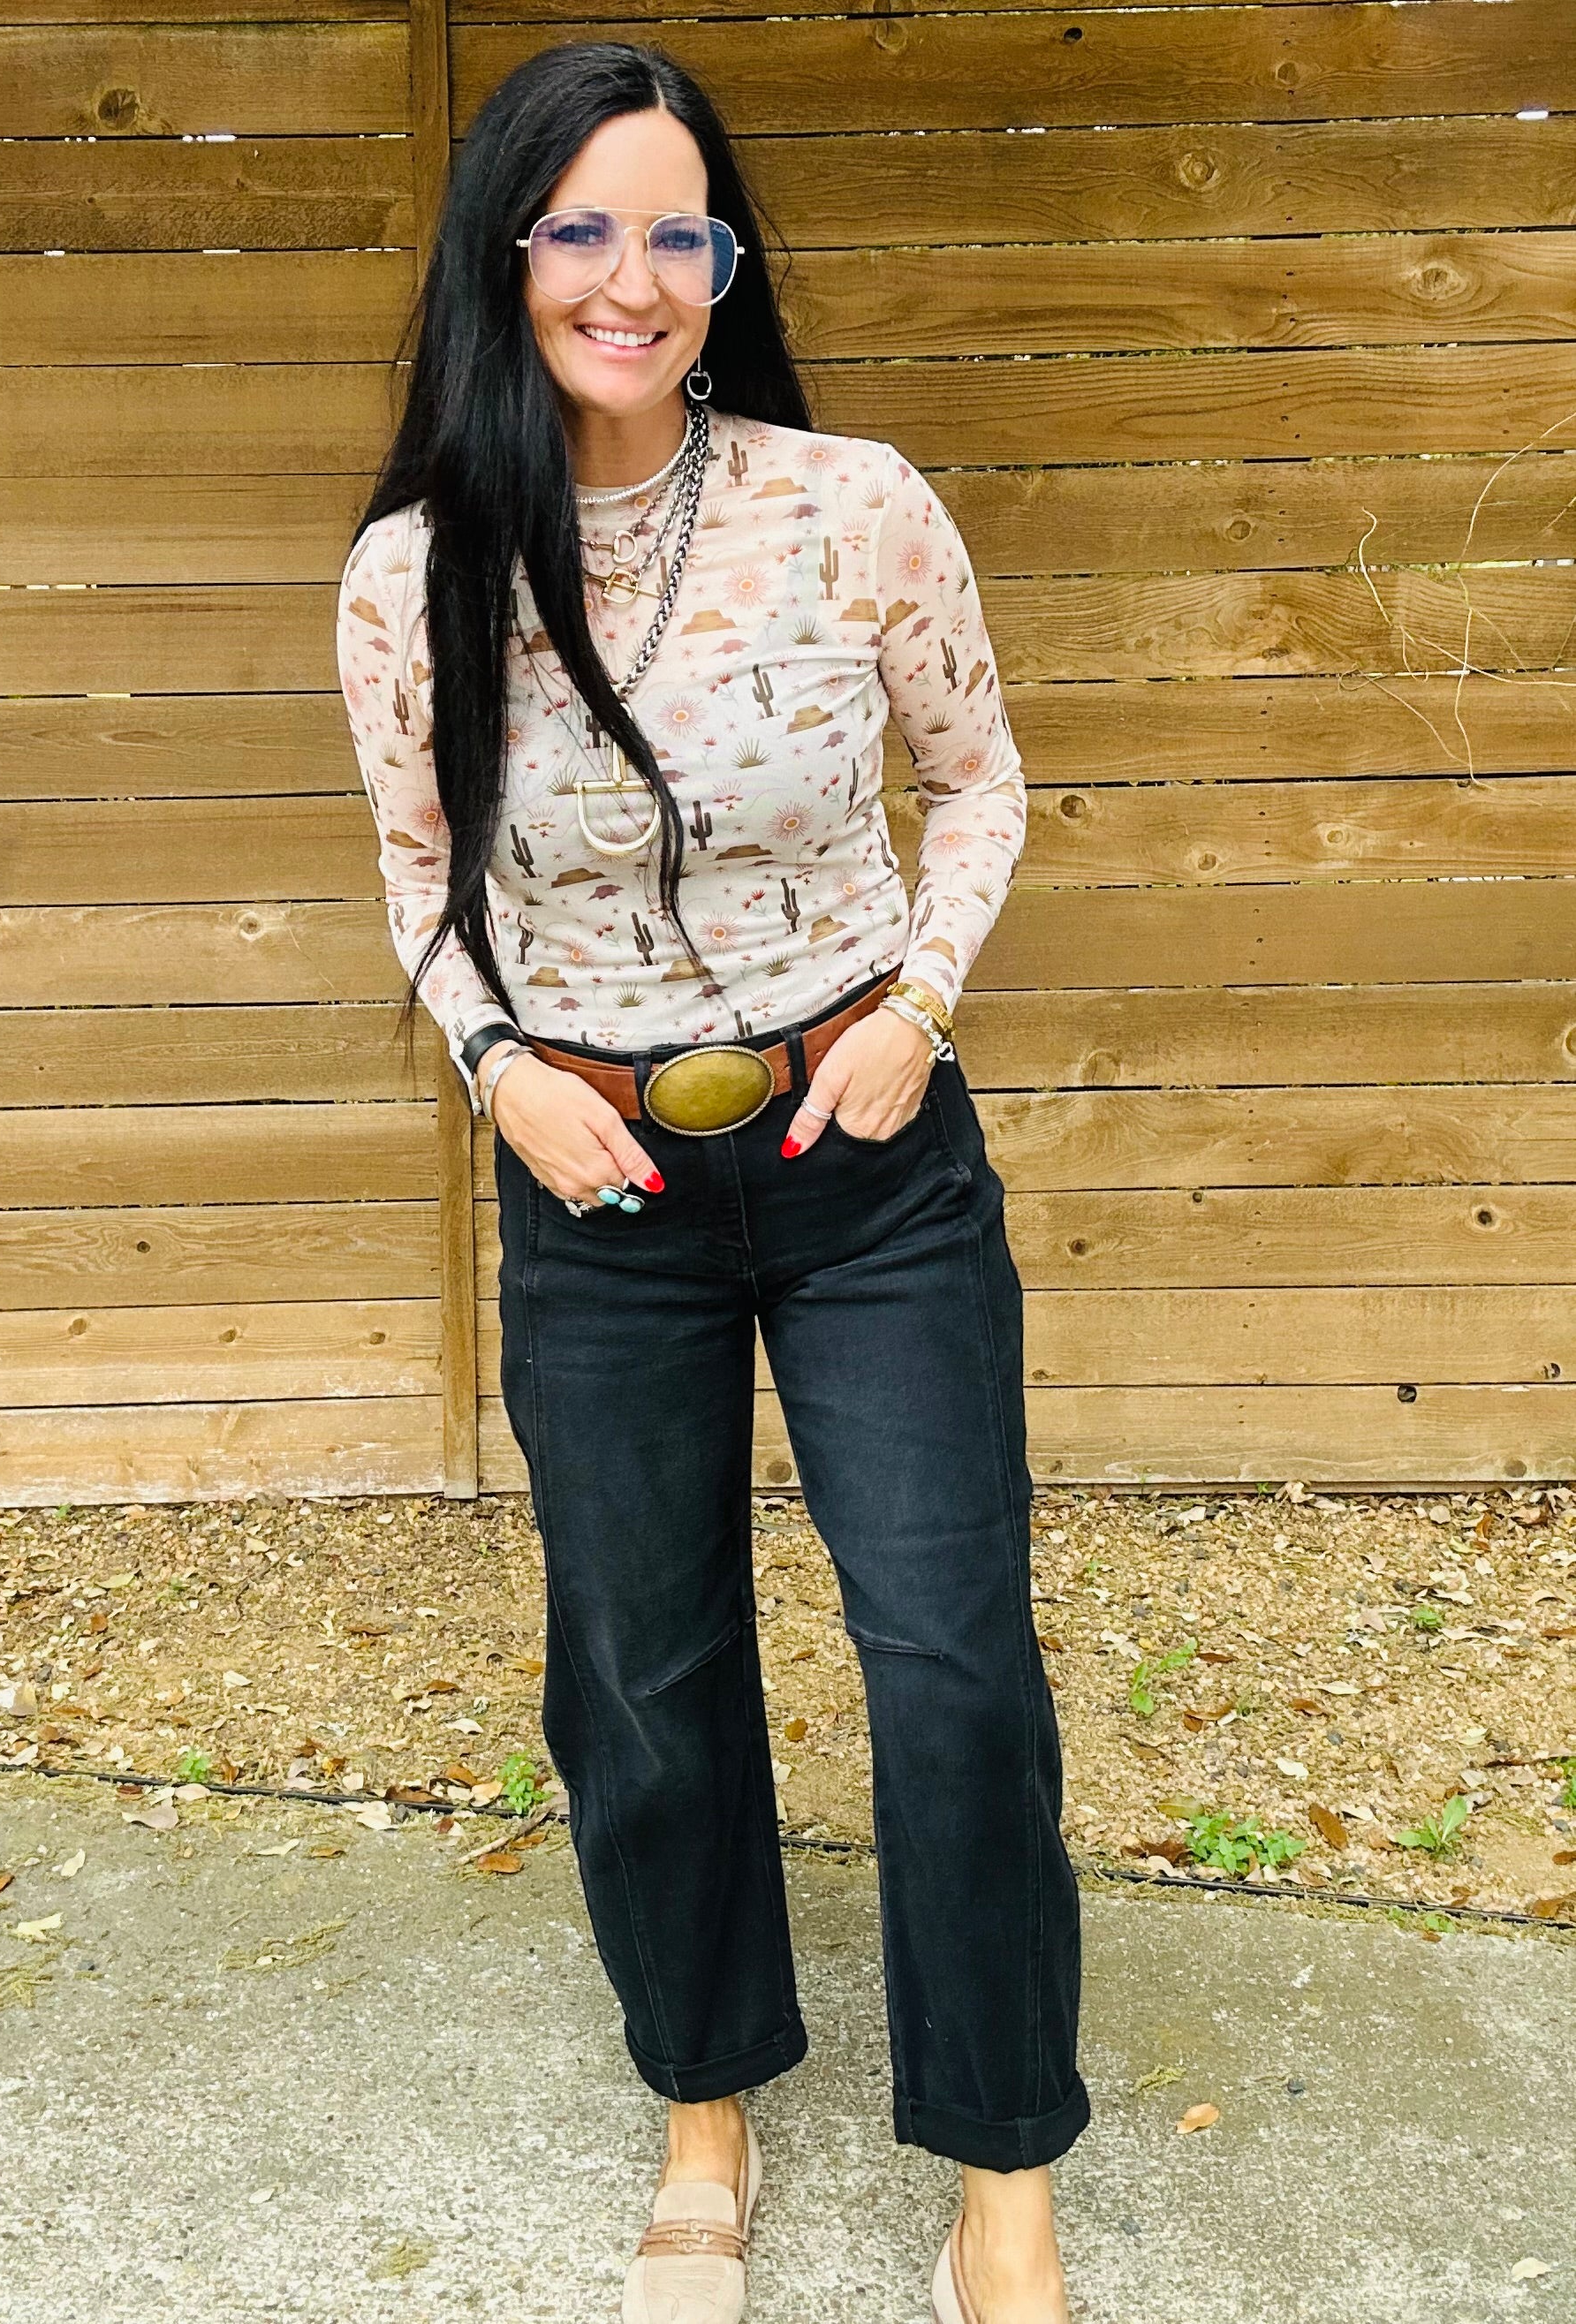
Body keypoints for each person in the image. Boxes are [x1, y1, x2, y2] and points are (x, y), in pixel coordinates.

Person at [337, 39, 1087, 2324]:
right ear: (505, 254)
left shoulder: (855, 503)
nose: (631, 277)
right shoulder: (415, 572)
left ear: (725, 267)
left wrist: (917, 1006)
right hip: (599, 1189)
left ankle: (1005, 2173)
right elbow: (421, 882)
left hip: (869, 1158)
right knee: (645, 1674)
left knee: (952, 1662)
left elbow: (982, 785)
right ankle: (703, 2108)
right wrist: (499, 1072)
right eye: (581, 226)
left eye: (679, 232)